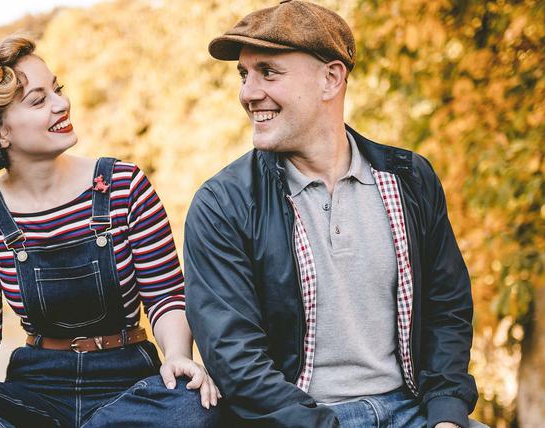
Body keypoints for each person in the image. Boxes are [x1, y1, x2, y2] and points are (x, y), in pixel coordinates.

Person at [0, 35, 219, 428]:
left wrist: (177, 356)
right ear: (1, 132)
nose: (61, 104)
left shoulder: (126, 185)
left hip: (129, 385)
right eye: (39, 100)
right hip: (36, 393)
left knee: (191, 406)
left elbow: (165, 297)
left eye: (57, 89)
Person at [183, 1, 483, 427]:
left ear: (331, 78)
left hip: (414, 411)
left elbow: (447, 310)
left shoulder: (410, 180)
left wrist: (448, 416)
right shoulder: (223, 204)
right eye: (244, 74)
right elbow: (236, 360)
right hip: (302, 420)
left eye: (268, 72)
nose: (248, 93)